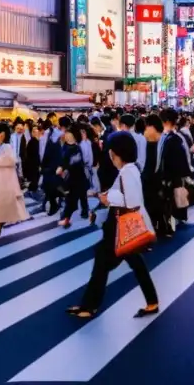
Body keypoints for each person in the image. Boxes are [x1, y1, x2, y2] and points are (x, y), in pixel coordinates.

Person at [67, 131, 160, 320]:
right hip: (121, 226)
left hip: (120, 226)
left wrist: (108, 198)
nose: (110, 155)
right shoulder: (130, 169)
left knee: (104, 263)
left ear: (116, 153)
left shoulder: (127, 172)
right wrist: (104, 196)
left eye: (111, 152)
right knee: (129, 263)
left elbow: (130, 199)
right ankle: (151, 302)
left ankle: (89, 305)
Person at [0, 123, 30, 245]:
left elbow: (11, 160)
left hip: (6, 183)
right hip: (1, 182)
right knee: (2, 207)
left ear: (1, 134)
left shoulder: (6, 146)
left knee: (1, 207)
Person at [58, 126, 92, 228]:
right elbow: (63, 162)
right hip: (72, 178)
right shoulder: (66, 148)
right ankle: (66, 218)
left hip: (80, 176)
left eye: (70, 136)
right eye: (67, 136)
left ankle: (83, 212)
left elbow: (82, 161)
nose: (68, 138)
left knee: (82, 196)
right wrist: (62, 169)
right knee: (71, 200)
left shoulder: (78, 147)